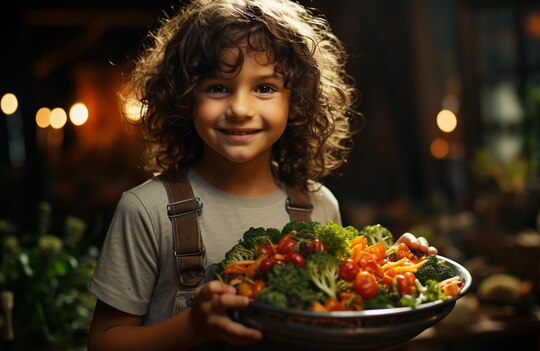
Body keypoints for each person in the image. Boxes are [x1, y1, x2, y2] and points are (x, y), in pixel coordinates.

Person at [87, 0, 436, 350]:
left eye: (265, 88)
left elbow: (341, 307)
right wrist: (192, 327)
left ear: (296, 101)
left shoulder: (317, 205)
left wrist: (392, 270)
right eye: (218, 87)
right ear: (184, 98)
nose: (240, 109)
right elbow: (104, 341)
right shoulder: (146, 211)